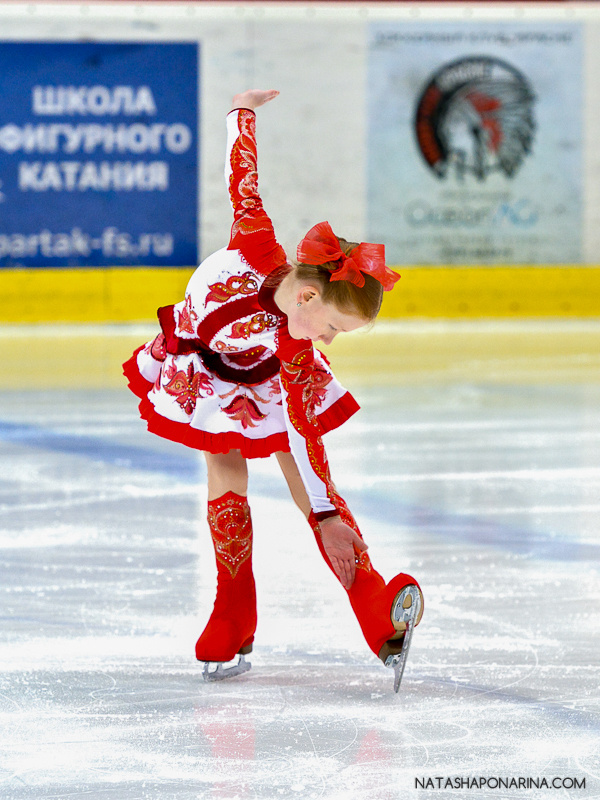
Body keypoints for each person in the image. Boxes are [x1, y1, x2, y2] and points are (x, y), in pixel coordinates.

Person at [123, 89, 423, 691]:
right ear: (308, 296)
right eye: (335, 329)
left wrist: (328, 513)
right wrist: (242, 111)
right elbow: (243, 177)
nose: (330, 344)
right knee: (226, 473)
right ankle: (233, 607)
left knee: (307, 480)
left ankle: (371, 602)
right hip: (205, 368)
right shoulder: (255, 244)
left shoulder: (294, 350)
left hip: (262, 373)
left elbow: (305, 438)